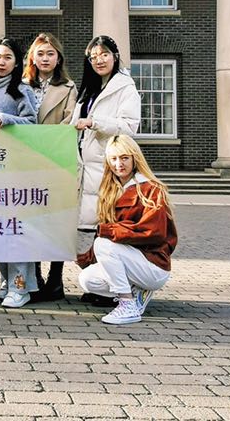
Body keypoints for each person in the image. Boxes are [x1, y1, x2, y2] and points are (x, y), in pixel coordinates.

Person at [77, 134, 177, 325]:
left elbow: (154, 232)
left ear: (134, 158)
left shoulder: (151, 189)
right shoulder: (110, 190)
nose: (119, 164)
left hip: (153, 264)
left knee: (103, 243)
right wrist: (86, 259)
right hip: (131, 262)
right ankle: (137, 292)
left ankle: (127, 305)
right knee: (87, 279)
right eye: (113, 158)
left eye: (124, 158)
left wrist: (110, 231)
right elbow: (109, 237)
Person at [0, 36, 37, 308]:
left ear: (17, 62)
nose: (1, 62)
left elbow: (32, 123)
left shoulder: (22, 90)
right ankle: (7, 280)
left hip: (14, 171)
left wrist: (8, 119)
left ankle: (20, 287)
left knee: (14, 231)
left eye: (7, 58)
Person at [70, 35, 141, 253]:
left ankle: (106, 273)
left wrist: (94, 122)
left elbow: (129, 127)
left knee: (107, 229)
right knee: (91, 231)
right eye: (93, 57)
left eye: (104, 54)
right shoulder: (90, 89)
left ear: (115, 56)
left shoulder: (125, 88)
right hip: (83, 168)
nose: (99, 60)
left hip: (107, 167)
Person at [22, 31, 78, 302]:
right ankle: (34, 278)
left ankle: (56, 279)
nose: (45, 58)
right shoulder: (22, 84)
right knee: (30, 221)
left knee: (57, 222)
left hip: (55, 162)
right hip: (24, 164)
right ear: (32, 57)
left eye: (50, 54)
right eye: (40, 53)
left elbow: (69, 124)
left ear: (58, 58)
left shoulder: (68, 88)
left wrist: (46, 145)